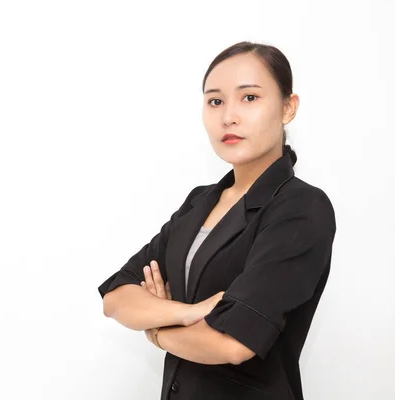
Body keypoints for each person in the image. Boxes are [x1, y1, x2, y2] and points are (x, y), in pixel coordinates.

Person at [97, 41, 337, 400]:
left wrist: (157, 330)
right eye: (215, 101)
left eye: (250, 98)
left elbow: (233, 343)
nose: (229, 116)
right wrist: (188, 312)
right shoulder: (200, 201)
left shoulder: (301, 208)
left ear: (288, 107)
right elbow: (116, 297)